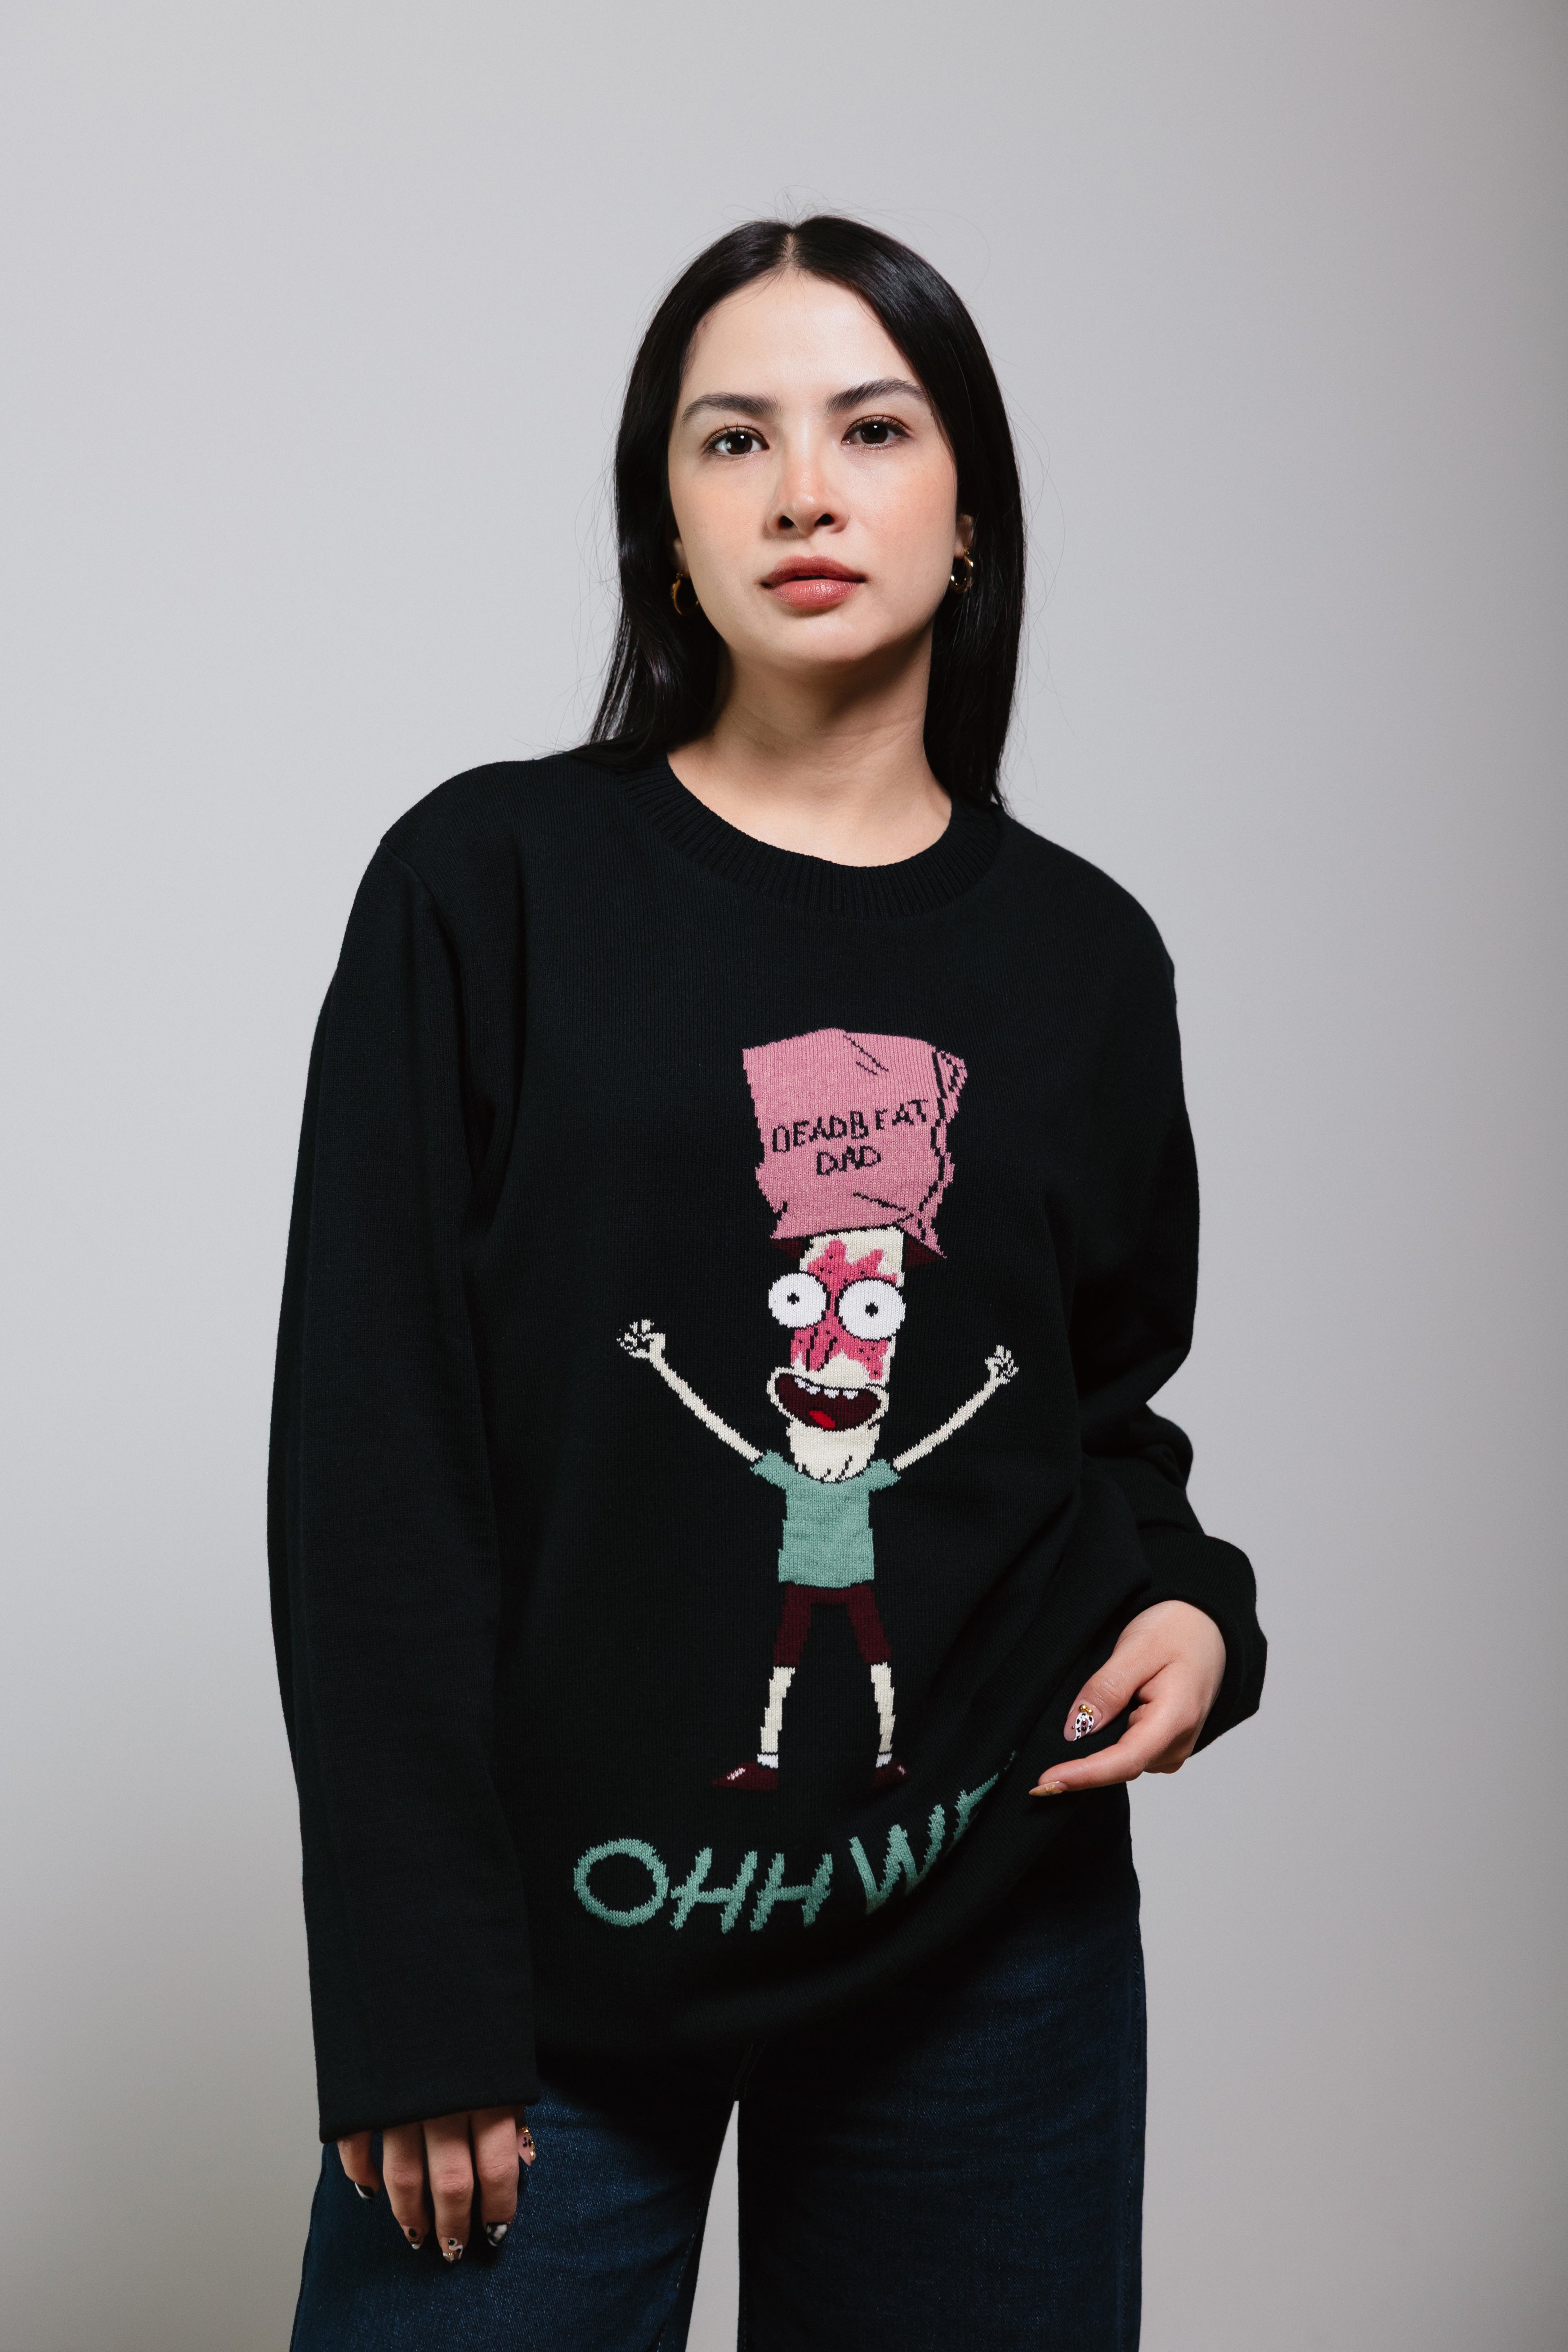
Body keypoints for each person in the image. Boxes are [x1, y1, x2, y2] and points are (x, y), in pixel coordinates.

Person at [271, 214, 1265, 2351]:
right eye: (733, 439)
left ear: (970, 512)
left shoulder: (1084, 961)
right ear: (665, 526)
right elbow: (374, 1469)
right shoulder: (487, 887)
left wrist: (1193, 1601)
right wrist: (415, 1993)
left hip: (988, 1952)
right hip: (553, 1965)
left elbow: (1102, 1418)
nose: (804, 490)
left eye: (870, 429)